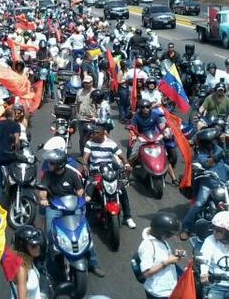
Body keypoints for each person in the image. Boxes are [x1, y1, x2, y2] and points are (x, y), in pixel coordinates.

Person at [38, 149, 105, 278]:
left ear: (59, 164)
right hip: (55, 208)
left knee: (86, 232)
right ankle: (46, 265)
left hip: (72, 207)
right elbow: (43, 191)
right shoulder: (47, 175)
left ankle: (93, 263)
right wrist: (44, 199)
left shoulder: (72, 174)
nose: (49, 165)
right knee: (49, 234)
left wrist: (85, 197)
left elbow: (79, 191)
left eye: (51, 163)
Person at [181, 128, 229, 239]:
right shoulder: (199, 154)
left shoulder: (218, 148)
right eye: (210, 142)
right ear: (204, 144)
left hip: (222, 183)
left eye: (213, 141)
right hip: (207, 184)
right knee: (198, 204)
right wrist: (221, 154)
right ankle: (186, 228)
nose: (212, 144)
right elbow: (207, 163)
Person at [83, 125, 136, 228]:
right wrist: (85, 166)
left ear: (102, 134)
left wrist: (127, 164)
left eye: (95, 133)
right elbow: (85, 158)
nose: (92, 135)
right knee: (87, 195)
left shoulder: (110, 144)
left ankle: (127, 217)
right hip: (95, 172)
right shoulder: (89, 143)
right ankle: (86, 219)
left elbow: (122, 156)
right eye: (92, 133)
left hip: (110, 172)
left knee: (122, 190)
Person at [138, 212, 184, 299]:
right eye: (170, 234)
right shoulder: (147, 246)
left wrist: (174, 257)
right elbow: (146, 273)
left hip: (169, 287)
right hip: (159, 292)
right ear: (162, 233)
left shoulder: (161, 240)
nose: (171, 236)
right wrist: (167, 262)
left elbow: (160, 259)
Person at [0, 108, 22, 201]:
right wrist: (17, 150)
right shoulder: (16, 125)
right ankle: (11, 198)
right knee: (12, 177)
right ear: (12, 116)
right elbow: (16, 141)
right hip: (8, 155)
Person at [11, 225, 45, 299]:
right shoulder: (21, 270)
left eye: (38, 244)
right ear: (23, 247)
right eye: (33, 245)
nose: (37, 247)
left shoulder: (30, 262)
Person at [76, 75, 96, 154]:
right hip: (81, 119)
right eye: (85, 83)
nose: (86, 84)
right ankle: (82, 154)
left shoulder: (95, 92)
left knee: (91, 138)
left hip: (91, 120)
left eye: (88, 83)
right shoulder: (79, 92)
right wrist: (77, 115)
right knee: (82, 138)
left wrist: (96, 117)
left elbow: (98, 106)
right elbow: (77, 104)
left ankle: (91, 155)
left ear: (92, 83)